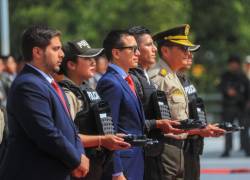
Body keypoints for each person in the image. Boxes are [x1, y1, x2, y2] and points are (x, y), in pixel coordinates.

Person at [0, 25, 89, 180]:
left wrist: (80, 154)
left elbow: (70, 127)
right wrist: (76, 160)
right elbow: (46, 133)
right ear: (37, 52)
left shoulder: (49, 82)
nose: (62, 54)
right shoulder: (28, 85)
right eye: (56, 49)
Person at [148, 24, 224, 180]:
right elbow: (158, 122)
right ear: (165, 50)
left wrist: (201, 129)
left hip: (180, 149)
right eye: (183, 49)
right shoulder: (158, 78)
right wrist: (198, 130)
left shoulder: (174, 76)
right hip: (165, 149)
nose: (188, 53)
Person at [58, 39, 130, 179]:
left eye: (93, 57)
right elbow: (66, 136)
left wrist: (111, 137)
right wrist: (102, 140)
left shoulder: (87, 88)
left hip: (96, 166)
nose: (93, 62)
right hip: (79, 169)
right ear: (71, 64)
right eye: (87, 58)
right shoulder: (67, 94)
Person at [127, 26, 185, 180]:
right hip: (150, 152)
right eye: (148, 45)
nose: (154, 49)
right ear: (135, 50)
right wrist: (158, 124)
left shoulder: (145, 77)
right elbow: (133, 121)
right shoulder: (134, 79)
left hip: (160, 149)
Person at [96, 30, 144, 180]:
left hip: (134, 161)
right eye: (132, 49)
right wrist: (116, 172)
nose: (138, 53)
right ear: (116, 53)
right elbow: (109, 130)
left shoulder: (126, 80)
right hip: (122, 166)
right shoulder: (111, 83)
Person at [219, 55, 250, 157]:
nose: (233, 65)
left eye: (235, 63)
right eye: (231, 63)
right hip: (228, 107)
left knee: (244, 129)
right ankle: (227, 150)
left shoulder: (243, 76)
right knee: (227, 129)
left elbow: (248, 90)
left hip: (241, 107)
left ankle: (247, 149)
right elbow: (221, 87)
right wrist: (227, 91)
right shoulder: (225, 76)